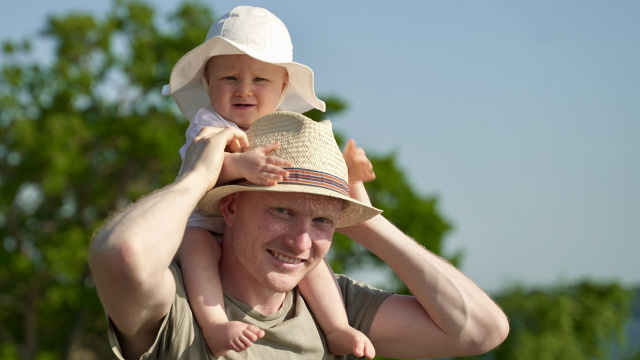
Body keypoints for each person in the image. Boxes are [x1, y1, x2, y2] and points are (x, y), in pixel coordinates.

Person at [89, 111, 509, 359]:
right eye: (282, 211)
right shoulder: (178, 307)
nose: (301, 242)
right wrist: (197, 178)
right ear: (230, 207)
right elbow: (121, 254)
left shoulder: (333, 308)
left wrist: (361, 218)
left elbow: (480, 330)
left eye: (322, 223)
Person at [163, 6, 376, 357]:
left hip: (263, 229)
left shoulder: (283, 129)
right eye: (229, 78)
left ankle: (337, 326)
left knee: (308, 258)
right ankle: (214, 323)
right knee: (196, 246)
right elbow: (197, 168)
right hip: (206, 218)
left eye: (259, 80)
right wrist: (236, 164)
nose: (243, 91)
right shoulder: (209, 123)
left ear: (282, 86)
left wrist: (347, 174)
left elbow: (308, 180)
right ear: (207, 82)